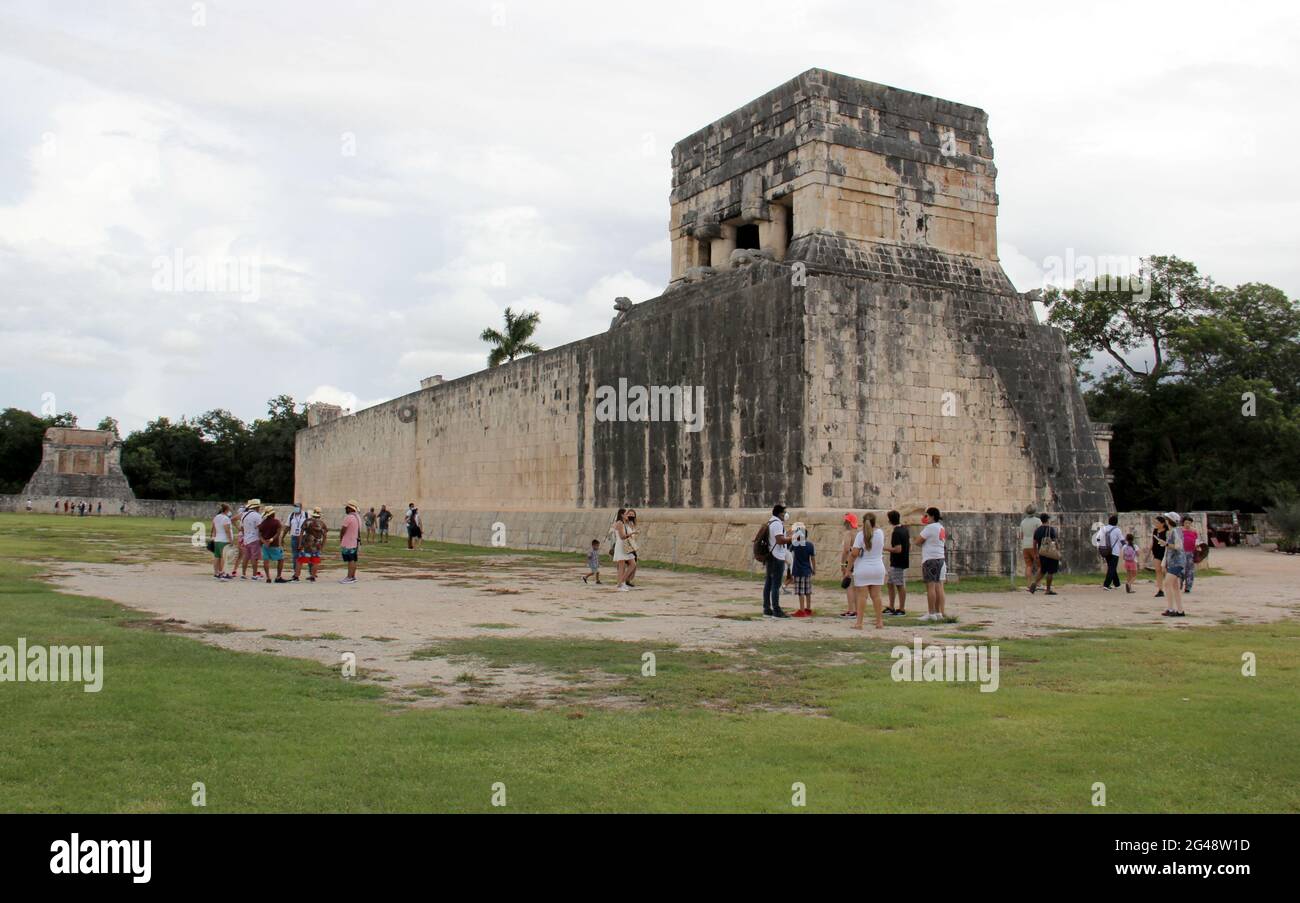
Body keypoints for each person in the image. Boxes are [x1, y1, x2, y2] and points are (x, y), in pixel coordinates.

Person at [850, 512, 885, 630]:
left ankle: (859, 623)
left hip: (863, 568)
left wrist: (848, 569)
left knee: (862, 597)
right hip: (878, 567)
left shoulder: (860, 535)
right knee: (876, 596)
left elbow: (854, 553)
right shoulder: (880, 533)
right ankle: (879, 622)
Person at [913, 507, 947, 621]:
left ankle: (931, 613)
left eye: (927, 515)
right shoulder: (941, 527)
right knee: (938, 586)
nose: (925, 518)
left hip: (930, 558)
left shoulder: (930, 528)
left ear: (932, 516)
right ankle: (938, 612)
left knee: (931, 587)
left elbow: (918, 541)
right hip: (940, 558)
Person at [761, 505, 791, 618]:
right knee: (775, 585)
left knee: (768, 583)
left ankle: (767, 608)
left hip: (771, 556)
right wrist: (792, 538)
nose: (786, 514)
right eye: (784, 512)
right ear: (780, 513)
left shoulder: (771, 522)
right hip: (777, 557)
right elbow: (780, 540)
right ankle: (776, 610)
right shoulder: (777, 523)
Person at [1159, 511, 1186, 617]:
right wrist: (1164, 562)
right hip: (1173, 561)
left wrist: (1166, 544)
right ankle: (1180, 610)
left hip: (1177, 561)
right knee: (1175, 586)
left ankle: (1170, 608)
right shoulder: (1173, 531)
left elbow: (1178, 546)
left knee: (1167, 584)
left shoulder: (1175, 531)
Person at [885, 509, 909, 616]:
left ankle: (902, 608)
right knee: (890, 583)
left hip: (898, 562)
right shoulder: (904, 529)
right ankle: (891, 606)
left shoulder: (896, 532)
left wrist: (885, 548)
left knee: (899, 585)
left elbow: (898, 549)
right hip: (898, 561)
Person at [1029, 513, 1060, 595]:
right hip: (1050, 553)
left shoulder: (1037, 530)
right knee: (1050, 571)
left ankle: (1034, 583)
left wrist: (1035, 553)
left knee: (1043, 570)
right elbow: (1055, 542)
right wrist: (1058, 550)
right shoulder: (1051, 529)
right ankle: (1048, 589)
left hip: (1041, 552)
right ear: (1047, 520)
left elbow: (1034, 543)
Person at [789, 522, 815, 617]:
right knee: (808, 591)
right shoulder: (810, 545)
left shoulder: (795, 545)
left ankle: (801, 610)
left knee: (800, 592)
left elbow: (789, 550)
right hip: (807, 570)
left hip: (798, 571)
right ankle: (808, 609)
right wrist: (814, 568)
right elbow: (812, 558)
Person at [839, 513, 859, 619]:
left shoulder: (848, 534)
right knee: (855, 587)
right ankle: (856, 610)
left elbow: (846, 550)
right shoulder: (859, 533)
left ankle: (851, 610)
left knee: (849, 586)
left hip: (849, 562)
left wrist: (843, 564)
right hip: (857, 562)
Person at [259, 506, 287, 584]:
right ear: (273, 513)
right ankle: (278, 576)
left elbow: (259, 534)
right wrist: (271, 539)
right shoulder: (276, 522)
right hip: (274, 544)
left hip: (265, 545)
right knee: (281, 559)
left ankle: (268, 577)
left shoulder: (263, 523)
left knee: (266, 560)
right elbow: (278, 533)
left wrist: (264, 541)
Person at [300, 507, 328, 582]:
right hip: (317, 544)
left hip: (307, 543)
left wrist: (300, 543)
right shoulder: (322, 523)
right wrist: (323, 545)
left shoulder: (307, 521)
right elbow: (325, 535)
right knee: (315, 560)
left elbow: (301, 532)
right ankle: (313, 576)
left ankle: (297, 575)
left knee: (302, 559)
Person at [611, 508, 636, 592]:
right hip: (621, 545)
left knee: (629, 564)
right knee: (623, 566)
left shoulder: (623, 523)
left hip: (623, 545)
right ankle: (620, 584)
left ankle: (621, 583)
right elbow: (622, 537)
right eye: (626, 514)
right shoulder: (620, 523)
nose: (627, 515)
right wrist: (631, 534)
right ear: (622, 515)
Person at [240, 499, 264, 580]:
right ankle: (254, 575)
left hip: (246, 538)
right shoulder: (257, 515)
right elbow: (260, 527)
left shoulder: (244, 515)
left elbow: (242, 527)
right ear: (256, 507)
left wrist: (245, 536)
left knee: (246, 557)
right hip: (254, 538)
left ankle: (243, 574)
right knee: (255, 557)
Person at [338, 500, 362, 584]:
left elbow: (343, 529)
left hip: (348, 542)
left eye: (347, 507)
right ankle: (353, 576)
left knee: (350, 559)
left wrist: (341, 538)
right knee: (353, 559)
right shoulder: (358, 517)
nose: (345, 509)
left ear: (350, 509)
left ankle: (349, 577)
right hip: (355, 541)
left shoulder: (349, 517)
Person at [1019, 504, 1040, 588]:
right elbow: (1040, 533)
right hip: (1034, 545)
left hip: (1025, 546)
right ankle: (1038, 583)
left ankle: (1028, 584)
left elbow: (1021, 536)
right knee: (1040, 565)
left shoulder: (1023, 522)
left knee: (1028, 565)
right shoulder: (1037, 521)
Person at [286, 503, 308, 581]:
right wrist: (282, 537)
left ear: (301, 507)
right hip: (294, 537)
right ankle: (296, 573)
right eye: (294, 507)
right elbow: (287, 526)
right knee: (295, 555)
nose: (295, 508)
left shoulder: (306, 515)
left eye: (297, 507)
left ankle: (311, 574)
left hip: (304, 537)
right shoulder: (291, 515)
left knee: (303, 555)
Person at [1100, 514, 1123, 590]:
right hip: (1114, 551)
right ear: (1116, 522)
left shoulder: (1103, 529)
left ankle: (1117, 584)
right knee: (1112, 568)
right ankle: (1106, 585)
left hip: (1106, 551)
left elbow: (1099, 539)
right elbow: (1122, 540)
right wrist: (1126, 547)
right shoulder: (1117, 530)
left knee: (1111, 567)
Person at [212, 504, 234, 580]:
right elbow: (227, 530)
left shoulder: (216, 517)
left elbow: (214, 529)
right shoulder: (226, 518)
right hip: (224, 540)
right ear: (226, 510)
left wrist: (214, 538)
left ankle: (216, 573)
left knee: (217, 557)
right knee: (223, 557)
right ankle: (223, 573)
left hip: (217, 539)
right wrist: (231, 540)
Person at [1180, 515, 1200, 593]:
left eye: (1189, 523)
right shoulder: (1179, 531)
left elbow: (1197, 540)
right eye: (1186, 523)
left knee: (1190, 570)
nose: (1187, 524)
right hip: (1181, 552)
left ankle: (1188, 586)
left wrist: (1197, 547)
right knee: (1181, 570)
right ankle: (1179, 584)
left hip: (1191, 552)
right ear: (1183, 523)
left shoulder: (1194, 531)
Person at [1151, 516, 1169, 599]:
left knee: (1165, 570)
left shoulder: (1167, 531)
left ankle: (1170, 586)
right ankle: (1160, 589)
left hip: (1165, 552)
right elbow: (1153, 541)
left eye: (1157, 523)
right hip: (1156, 552)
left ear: (1162, 523)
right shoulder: (1155, 530)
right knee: (1158, 570)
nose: (1155, 524)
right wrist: (1149, 550)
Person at [623, 509, 640, 587]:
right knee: (631, 564)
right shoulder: (625, 523)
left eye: (633, 515)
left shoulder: (633, 524)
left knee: (633, 565)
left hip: (632, 547)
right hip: (626, 546)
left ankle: (627, 580)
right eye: (630, 514)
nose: (631, 516)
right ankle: (623, 581)